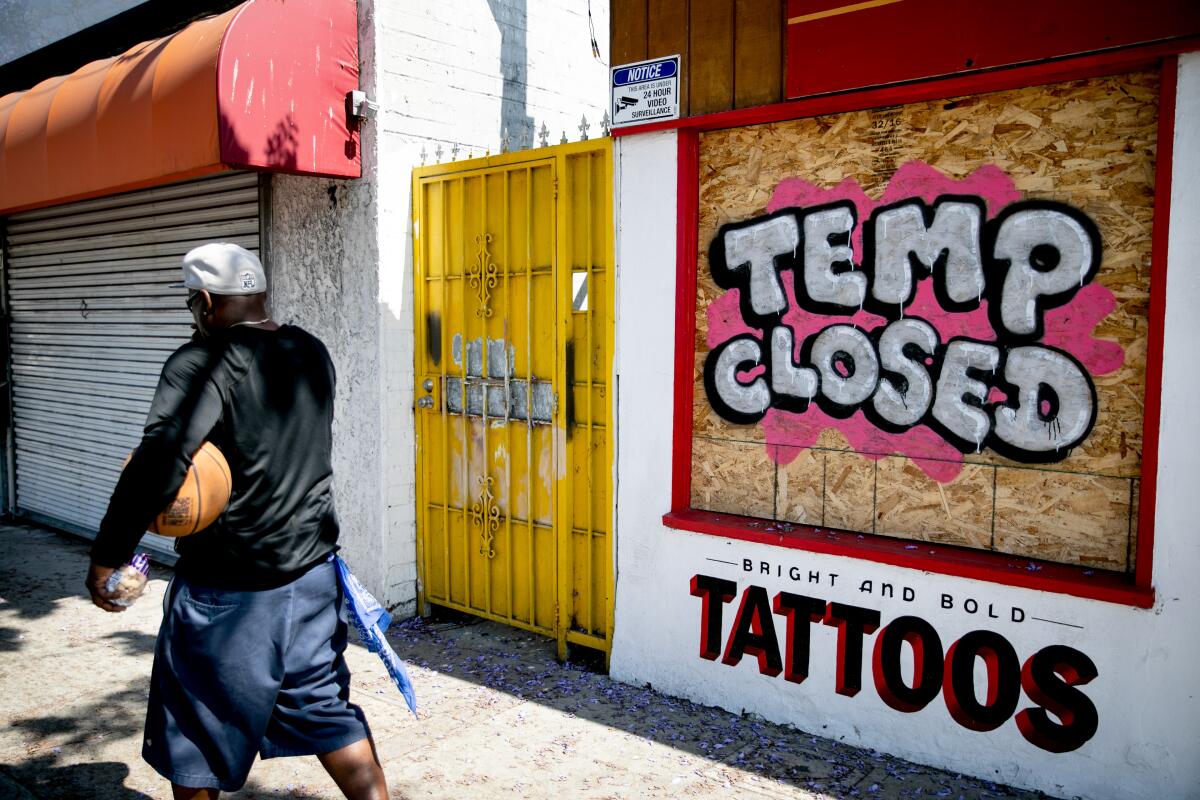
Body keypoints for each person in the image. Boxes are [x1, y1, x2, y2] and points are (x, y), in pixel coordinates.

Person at [84, 243, 388, 800]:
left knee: (196, 731)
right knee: (326, 712)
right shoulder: (310, 350)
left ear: (203, 301)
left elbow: (161, 460)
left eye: (191, 304)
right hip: (314, 577)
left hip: (231, 590)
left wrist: (110, 552)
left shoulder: (200, 363)